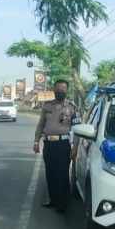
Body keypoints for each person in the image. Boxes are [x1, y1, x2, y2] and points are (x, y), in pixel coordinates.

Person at [34, 80, 80, 212]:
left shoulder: (72, 107)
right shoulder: (47, 106)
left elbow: (77, 129)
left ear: (67, 91)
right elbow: (40, 125)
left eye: (63, 89)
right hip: (48, 144)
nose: (60, 92)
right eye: (58, 89)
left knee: (62, 174)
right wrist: (36, 141)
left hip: (63, 144)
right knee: (50, 173)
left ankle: (63, 204)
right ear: (54, 90)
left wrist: (75, 148)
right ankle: (53, 200)